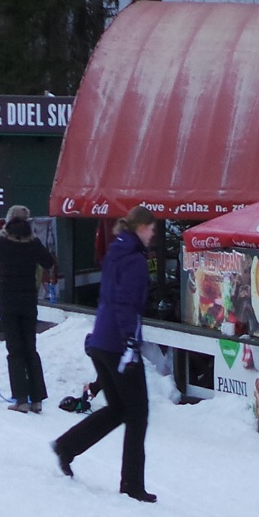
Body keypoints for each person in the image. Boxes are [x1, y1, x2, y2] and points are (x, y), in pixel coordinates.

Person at [53, 207, 157, 501]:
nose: (153, 235)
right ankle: (132, 485)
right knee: (138, 414)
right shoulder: (135, 260)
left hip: (101, 339)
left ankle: (67, 446)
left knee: (118, 409)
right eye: (151, 229)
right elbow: (127, 303)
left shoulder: (115, 251)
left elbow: (110, 297)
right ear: (141, 227)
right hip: (118, 345)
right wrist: (130, 342)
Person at [0, 205, 55, 413]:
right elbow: (48, 261)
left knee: (15, 350)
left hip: (8, 300)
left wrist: (1, 236)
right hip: (28, 301)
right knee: (30, 349)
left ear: (8, 220)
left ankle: (21, 400)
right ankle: (37, 399)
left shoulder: (4, 241)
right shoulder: (32, 242)